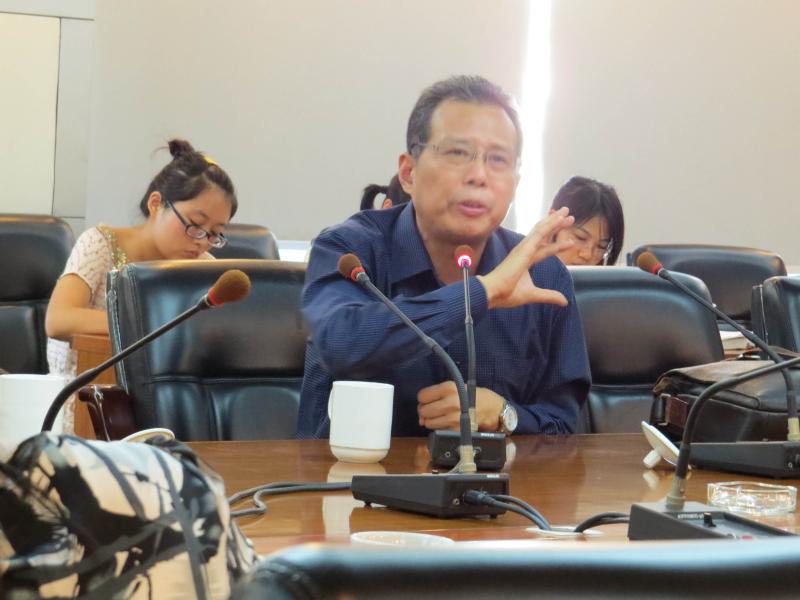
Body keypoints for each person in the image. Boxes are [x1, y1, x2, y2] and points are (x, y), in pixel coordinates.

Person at [298, 75, 590, 439]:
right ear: (408, 172)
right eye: (457, 153)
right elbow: (341, 342)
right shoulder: (350, 249)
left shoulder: (544, 275)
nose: (479, 176)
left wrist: (504, 414)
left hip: (498, 477)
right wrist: (484, 292)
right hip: (350, 474)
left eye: (498, 160)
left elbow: (564, 425)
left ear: (515, 183)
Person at [45, 139, 237, 431]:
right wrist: (150, 327)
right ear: (156, 204)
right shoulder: (101, 244)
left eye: (214, 233)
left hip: (168, 408)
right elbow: (59, 320)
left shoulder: (203, 266)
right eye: (195, 225)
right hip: (86, 405)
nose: (202, 241)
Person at [549, 176, 624, 266]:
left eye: (601, 246)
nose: (588, 255)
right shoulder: (533, 268)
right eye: (580, 238)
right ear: (552, 223)